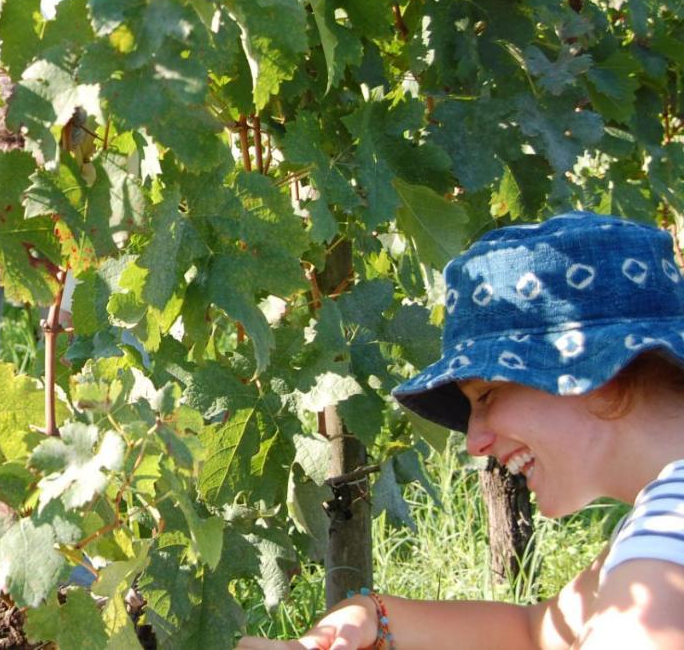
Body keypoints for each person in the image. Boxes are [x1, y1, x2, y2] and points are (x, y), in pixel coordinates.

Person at [237, 211, 684, 650]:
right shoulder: (657, 530)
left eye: (487, 395)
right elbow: (536, 633)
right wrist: (372, 617)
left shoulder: (670, 522)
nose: (475, 442)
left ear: (600, 370)